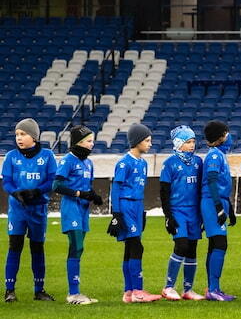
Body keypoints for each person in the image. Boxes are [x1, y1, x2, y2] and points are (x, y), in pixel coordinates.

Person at [3, 118, 57, 302]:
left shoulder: (48, 156)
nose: (19, 138)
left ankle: (39, 290)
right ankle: (9, 290)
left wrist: (36, 191)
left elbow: (52, 181)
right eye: (17, 134)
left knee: (37, 248)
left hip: (38, 210)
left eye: (23, 134)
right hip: (18, 210)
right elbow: (7, 182)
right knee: (15, 247)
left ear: (34, 136)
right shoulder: (11, 156)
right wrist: (16, 193)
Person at [110, 123, 159, 302]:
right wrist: (116, 214)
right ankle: (138, 291)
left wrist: (142, 211)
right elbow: (116, 188)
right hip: (126, 206)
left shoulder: (143, 163)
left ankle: (129, 292)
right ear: (137, 141)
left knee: (130, 247)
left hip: (137, 207)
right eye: (147, 140)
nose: (150, 144)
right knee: (137, 246)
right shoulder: (124, 163)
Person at [53, 125, 102, 304]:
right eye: (89, 140)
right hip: (71, 207)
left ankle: (75, 291)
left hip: (83, 210)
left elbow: (87, 186)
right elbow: (56, 186)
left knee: (79, 248)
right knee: (76, 246)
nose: (92, 144)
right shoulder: (68, 160)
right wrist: (80, 194)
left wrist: (93, 195)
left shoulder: (88, 162)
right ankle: (73, 294)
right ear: (78, 142)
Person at [159, 125, 205, 300]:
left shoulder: (198, 162)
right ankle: (168, 286)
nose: (192, 145)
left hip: (194, 212)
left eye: (193, 141)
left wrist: (202, 214)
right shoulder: (169, 163)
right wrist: (168, 216)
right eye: (188, 142)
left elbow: (201, 189)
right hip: (177, 211)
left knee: (192, 248)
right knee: (182, 245)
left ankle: (188, 289)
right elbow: (164, 191)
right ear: (178, 143)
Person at [200, 120, 237, 301]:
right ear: (221, 137)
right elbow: (212, 182)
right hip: (212, 202)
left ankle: (213, 288)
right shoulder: (214, 156)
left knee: (215, 244)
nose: (229, 136)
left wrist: (228, 208)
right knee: (219, 243)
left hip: (218, 201)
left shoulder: (219, 154)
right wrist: (218, 208)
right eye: (227, 133)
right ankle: (214, 289)